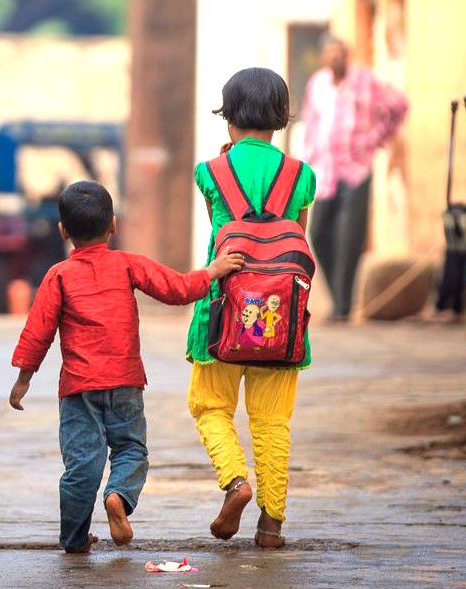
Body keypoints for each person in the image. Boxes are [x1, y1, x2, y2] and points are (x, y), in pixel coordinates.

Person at [9, 180, 244, 554]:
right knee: (131, 451)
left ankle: (73, 538)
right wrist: (213, 271)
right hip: (125, 384)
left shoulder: (58, 275)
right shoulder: (127, 265)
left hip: (78, 389)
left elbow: (38, 330)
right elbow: (177, 289)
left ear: (63, 231)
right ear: (113, 225)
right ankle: (118, 495)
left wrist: (24, 377)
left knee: (81, 467)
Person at [186, 67, 317, 548]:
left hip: (222, 314)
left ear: (229, 118)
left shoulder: (210, 172)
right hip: (282, 323)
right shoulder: (302, 176)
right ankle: (272, 525)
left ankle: (236, 483)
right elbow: (294, 235)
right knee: (271, 420)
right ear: (281, 119)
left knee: (209, 407)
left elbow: (219, 230)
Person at [301, 34, 409, 321]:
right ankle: (340, 299)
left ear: (346, 55)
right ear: (324, 57)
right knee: (319, 232)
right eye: (330, 53)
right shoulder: (318, 84)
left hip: (357, 170)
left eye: (340, 52)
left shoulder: (365, 81)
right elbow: (311, 122)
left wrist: (376, 138)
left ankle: (342, 307)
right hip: (326, 172)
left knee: (350, 238)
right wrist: (309, 157)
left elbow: (398, 106)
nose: (335, 57)